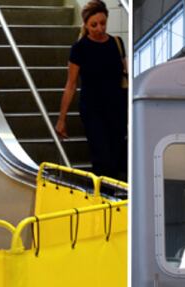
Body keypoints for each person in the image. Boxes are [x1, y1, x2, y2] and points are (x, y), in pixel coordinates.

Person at [55, 0, 128, 181]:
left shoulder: (116, 43)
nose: (99, 28)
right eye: (94, 25)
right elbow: (70, 85)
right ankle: (103, 200)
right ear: (86, 25)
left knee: (118, 156)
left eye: (103, 23)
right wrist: (61, 119)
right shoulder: (79, 49)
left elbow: (125, 75)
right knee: (102, 159)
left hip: (117, 109)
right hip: (93, 109)